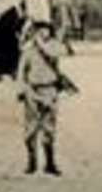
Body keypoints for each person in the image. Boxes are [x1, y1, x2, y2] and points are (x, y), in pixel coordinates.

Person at [18, 17, 74, 176]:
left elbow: (62, 51)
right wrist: (21, 90)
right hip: (32, 90)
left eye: (47, 29)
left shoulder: (52, 47)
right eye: (41, 29)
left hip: (50, 90)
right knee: (30, 130)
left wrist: (63, 37)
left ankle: (50, 163)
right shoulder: (28, 50)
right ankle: (32, 162)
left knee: (49, 129)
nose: (45, 32)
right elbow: (21, 70)